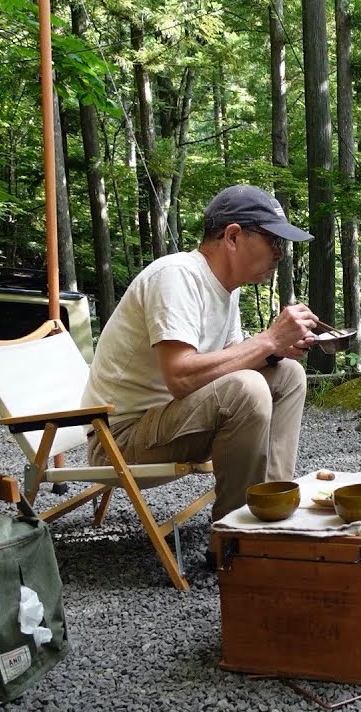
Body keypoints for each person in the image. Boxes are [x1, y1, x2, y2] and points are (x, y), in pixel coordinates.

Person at [82, 184, 321, 522]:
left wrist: (276, 350)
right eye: (274, 241)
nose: (280, 253)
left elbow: (232, 361)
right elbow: (181, 377)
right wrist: (268, 340)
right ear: (233, 237)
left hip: (170, 423)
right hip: (120, 441)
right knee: (248, 389)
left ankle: (270, 509)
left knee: (288, 375)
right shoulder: (175, 276)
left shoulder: (227, 290)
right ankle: (235, 535)